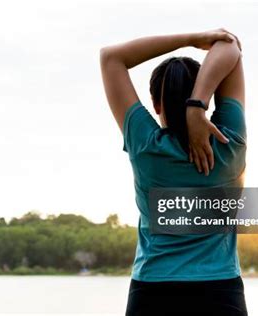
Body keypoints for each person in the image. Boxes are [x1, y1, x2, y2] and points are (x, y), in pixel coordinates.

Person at [100, 29, 247, 315]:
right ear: (212, 96)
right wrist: (197, 107)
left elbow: (111, 58)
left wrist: (190, 39)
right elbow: (231, 46)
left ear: (156, 104)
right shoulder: (228, 142)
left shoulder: (145, 145)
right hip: (221, 290)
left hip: (153, 291)